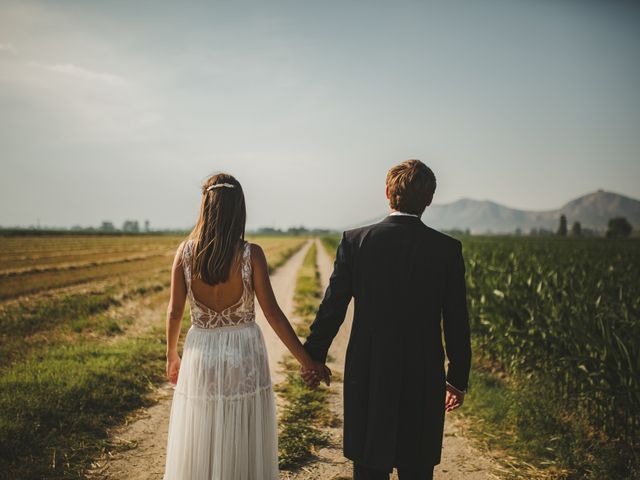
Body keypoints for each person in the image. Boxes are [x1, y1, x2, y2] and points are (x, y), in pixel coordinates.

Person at [302, 159, 472, 480]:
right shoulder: (447, 249)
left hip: (369, 370)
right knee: (417, 466)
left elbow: (332, 308)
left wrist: (313, 358)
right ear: (429, 199)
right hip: (423, 373)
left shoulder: (356, 241)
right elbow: (456, 319)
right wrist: (457, 378)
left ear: (387, 192)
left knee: (368, 465)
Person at [162, 172, 327, 480]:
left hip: (202, 349)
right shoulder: (251, 254)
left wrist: (172, 354)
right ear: (239, 209)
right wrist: (308, 362)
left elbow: (174, 311)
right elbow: (274, 315)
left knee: (203, 426)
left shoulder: (184, 253)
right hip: (243, 351)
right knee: (240, 425)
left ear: (205, 206)